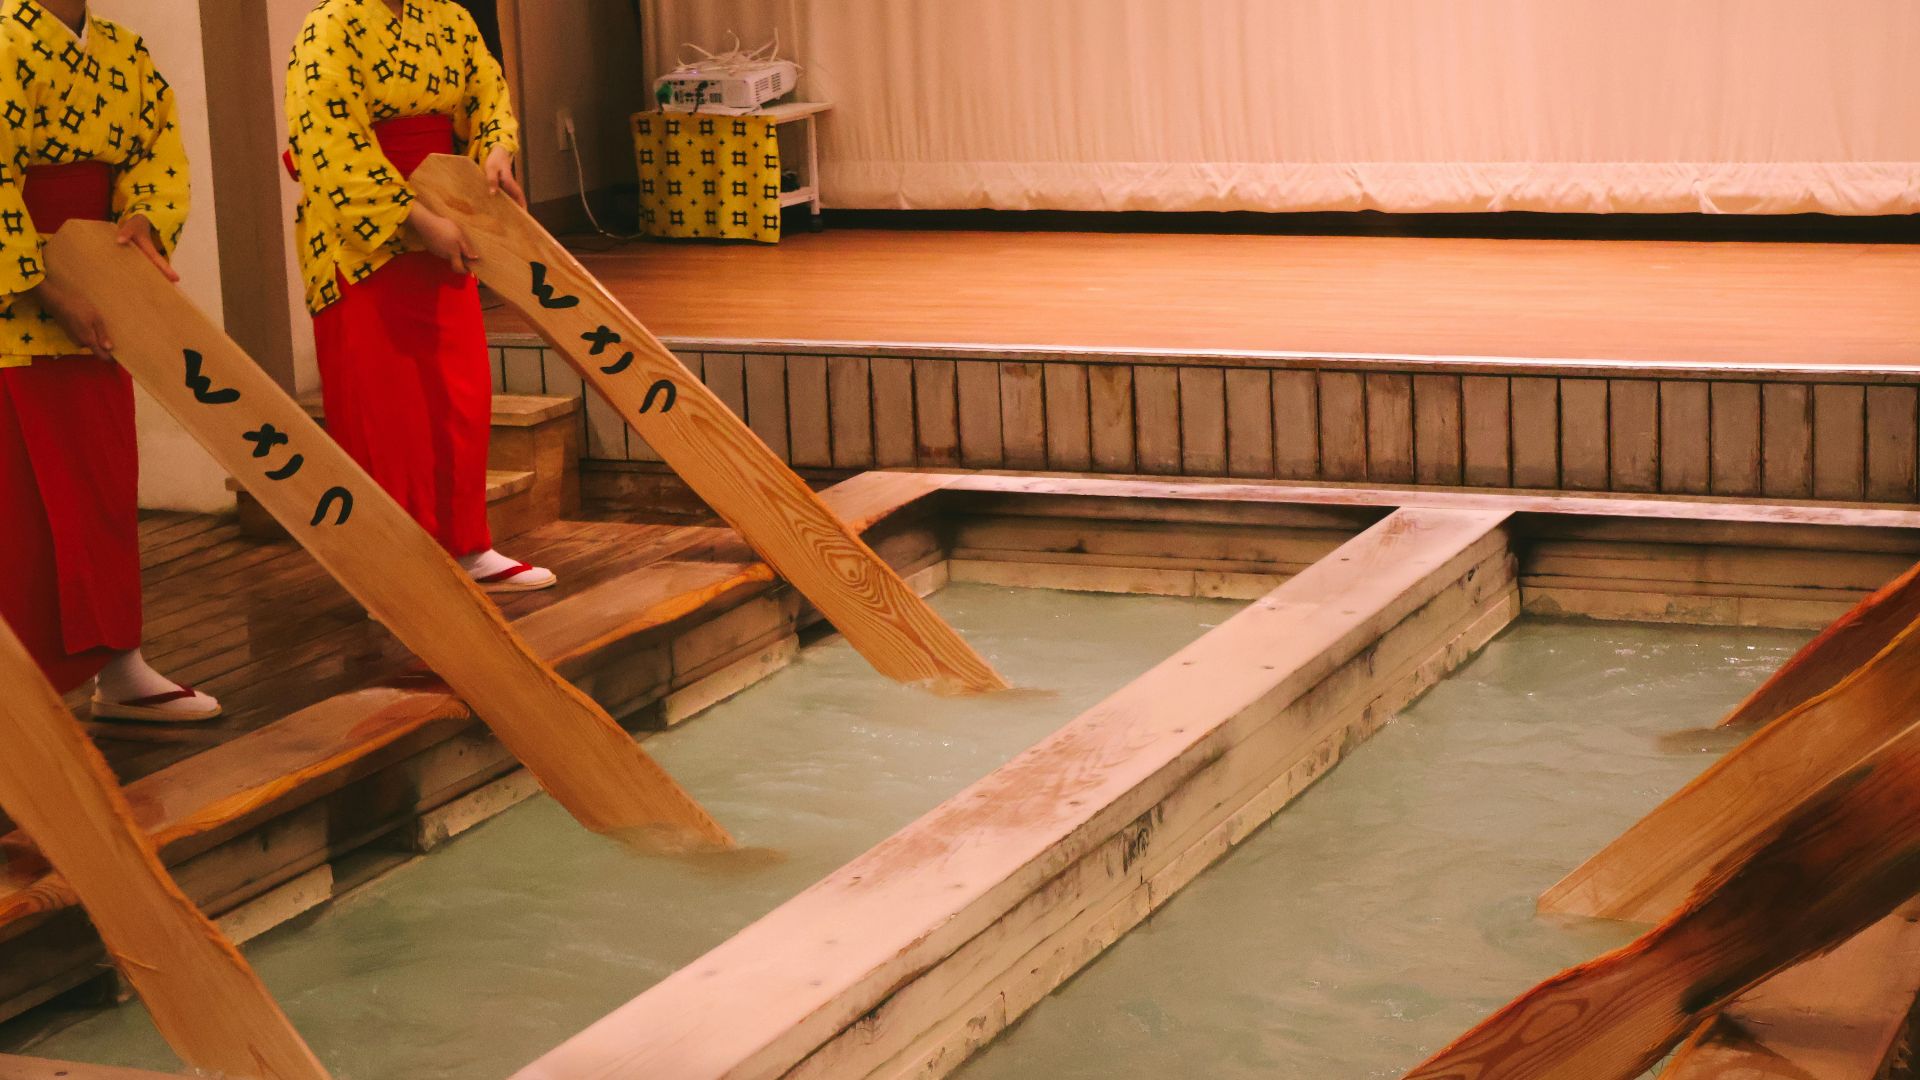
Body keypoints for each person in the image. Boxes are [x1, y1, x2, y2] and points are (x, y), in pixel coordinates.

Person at [285, 0, 554, 592]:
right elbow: (330, 144)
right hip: (368, 243)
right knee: (387, 411)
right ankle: (394, 574)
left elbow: (488, 93)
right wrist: (413, 219)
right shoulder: (328, 26)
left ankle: (466, 546)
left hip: (449, 214)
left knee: (458, 394)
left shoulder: (450, 18)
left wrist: (495, 152)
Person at [0, 0, 218, 722]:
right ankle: (40, 690)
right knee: (30, 507)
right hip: (23, 302)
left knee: (102, 480)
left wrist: (143, 220)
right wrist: (51, 290)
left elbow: (157, 152)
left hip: (100, 278)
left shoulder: (124, 51)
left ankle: (120, 660)